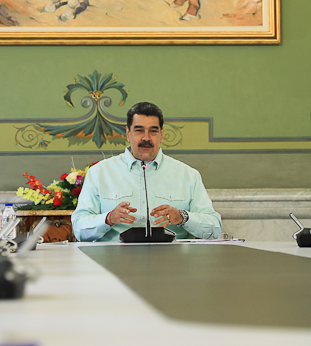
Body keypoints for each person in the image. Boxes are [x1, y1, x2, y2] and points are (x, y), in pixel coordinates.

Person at [72, 102, 222, 241]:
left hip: (174, 265)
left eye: (153, 131)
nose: (146, 138)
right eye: (139, 130)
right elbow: (79, 229)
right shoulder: (99, 173)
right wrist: (109, 218)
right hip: (114, 263)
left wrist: (183, 217)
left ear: (161, 134)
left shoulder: (189, 175)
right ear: (127, 133)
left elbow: (215, 229)